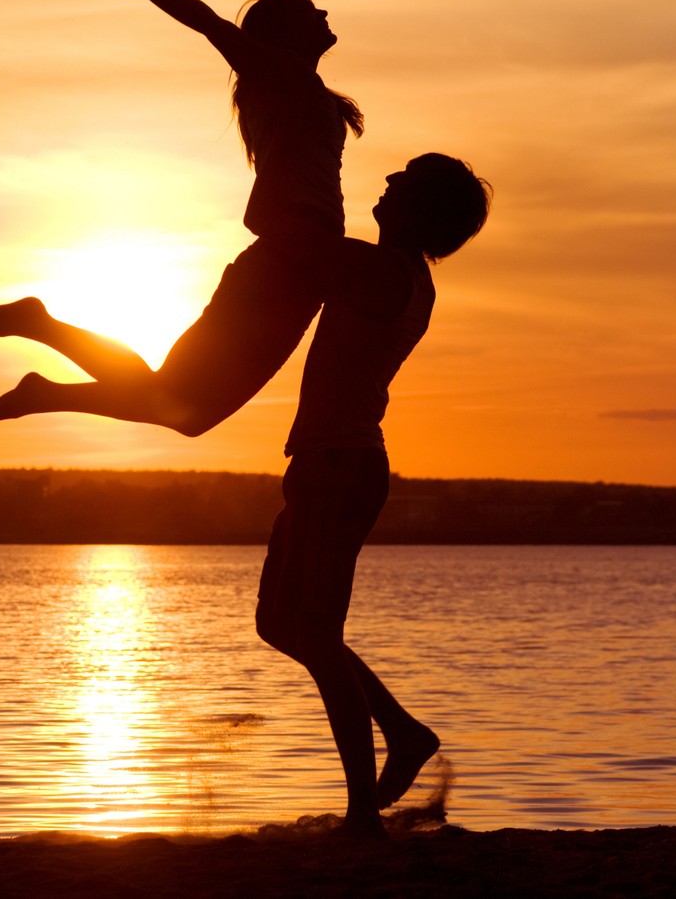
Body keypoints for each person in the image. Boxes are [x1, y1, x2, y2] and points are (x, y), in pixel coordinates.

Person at [0, 0, 362, 436]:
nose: (322, 14)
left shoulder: (296, 87)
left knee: (185, 408)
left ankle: (43, 373)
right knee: (181, 404)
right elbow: (210, 23)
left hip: (300, 265)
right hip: (287, 262)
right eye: (309, 11)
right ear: (283, 34)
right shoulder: (282, 76)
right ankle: (41, 340)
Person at [254, 152, 490, 837]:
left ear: (420, 210)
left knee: (318, 635)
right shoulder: (390, 270)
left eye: (402, 181)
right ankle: (403, 731)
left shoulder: (385, 271)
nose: (385, 182)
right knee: (280, 624)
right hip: (321, 465)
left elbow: (285, 236)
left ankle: (362, 810)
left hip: (340, 466)